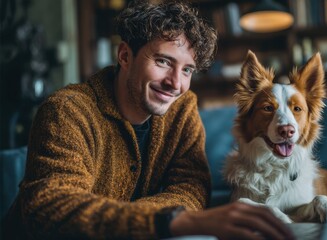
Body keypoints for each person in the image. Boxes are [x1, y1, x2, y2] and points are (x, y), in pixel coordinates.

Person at [3, 1, 294, 239]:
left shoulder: (183, 108)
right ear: (125, 56)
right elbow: (53, 208)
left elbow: (191, 187)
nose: (175, 84)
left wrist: (144, 219)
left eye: (187, 70)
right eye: (163, 62)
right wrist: (169, 221)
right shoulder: (67, 111)